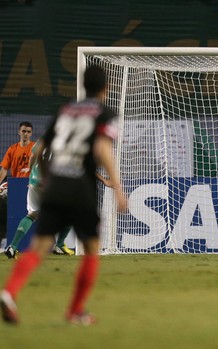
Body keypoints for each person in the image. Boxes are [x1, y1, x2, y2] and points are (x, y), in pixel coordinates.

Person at [0, 65, 128, 325]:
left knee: (39, 246)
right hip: (80, 188)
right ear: (106, 88)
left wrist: (47, 177)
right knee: (92, 248)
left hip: (55, 185)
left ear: (83, 84)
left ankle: (9, 292)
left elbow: (39, 151)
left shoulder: (66, 109)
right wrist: (119, 189)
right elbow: (103, 149)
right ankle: (75, 311)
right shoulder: (105, 113)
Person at [3, 140, 113, 260]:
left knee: (32, 215)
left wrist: (30, 175)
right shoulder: (67, 143)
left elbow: (33, 156)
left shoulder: (42, 140)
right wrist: (104, 180)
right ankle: (59, 244)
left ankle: (12, 247)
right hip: (51, 184)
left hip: (34, 182)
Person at [0, 121, 36, 245]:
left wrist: (31, 170)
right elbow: (4, 169)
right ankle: (8, 241)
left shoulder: (35, 147)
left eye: (28, 132)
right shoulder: (12, 149)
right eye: (23, 131)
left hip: (32, 185)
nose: (26, 134)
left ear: (31, 134)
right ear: (19, 132)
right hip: (16, 186)